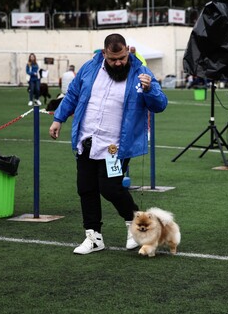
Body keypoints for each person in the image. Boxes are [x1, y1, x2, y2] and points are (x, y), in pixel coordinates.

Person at [49, 33, 168, 255]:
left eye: (121, 57)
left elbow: (160, 105)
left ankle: (136, 225)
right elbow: (73, 94)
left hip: (116, 147)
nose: (118, 63)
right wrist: (59, 118)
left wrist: (150, 89)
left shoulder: (141, 72)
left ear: (127, 50)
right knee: (86, 189)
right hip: (87, 140)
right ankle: (93, 238)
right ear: (104, 53)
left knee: (110, 188)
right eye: (113, 59)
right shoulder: (89, 68)